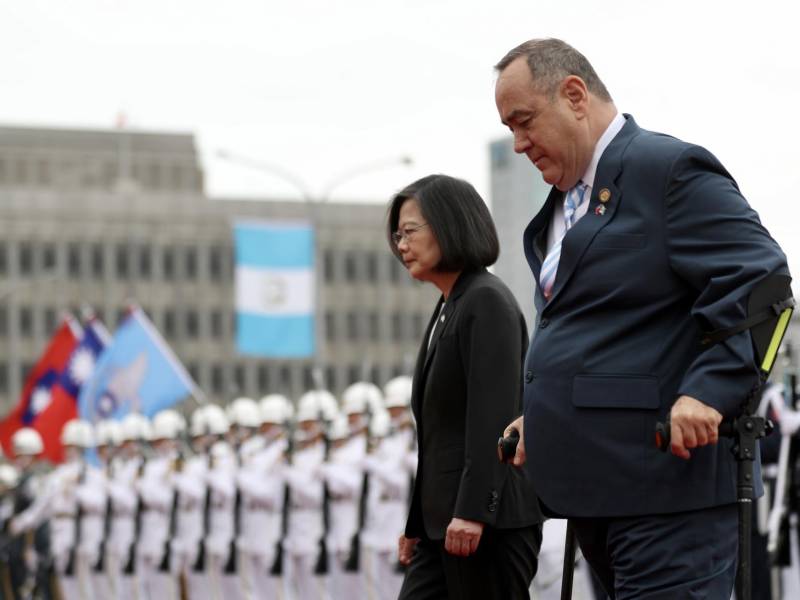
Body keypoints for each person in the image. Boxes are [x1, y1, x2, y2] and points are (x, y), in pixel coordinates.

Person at [494, 38, 790, 599]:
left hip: (668, 494)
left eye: (524, 121)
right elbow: (603, 333)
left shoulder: (666, 170)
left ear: (575, 95)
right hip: (598, 491)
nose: (517, 143)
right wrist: (547, 415)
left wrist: (710, 391)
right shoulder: (563, 204)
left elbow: (763, 284)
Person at [388, 174, 543, 599]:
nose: (401, 245)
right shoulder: (450, 305)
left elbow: (491, 418)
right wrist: (417, 525)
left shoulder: (485, 300)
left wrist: (473, 512)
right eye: (397, 235)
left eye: (411, 231)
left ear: (450, 224)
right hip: (445, 525)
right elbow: (439, 437)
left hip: (485, 523)